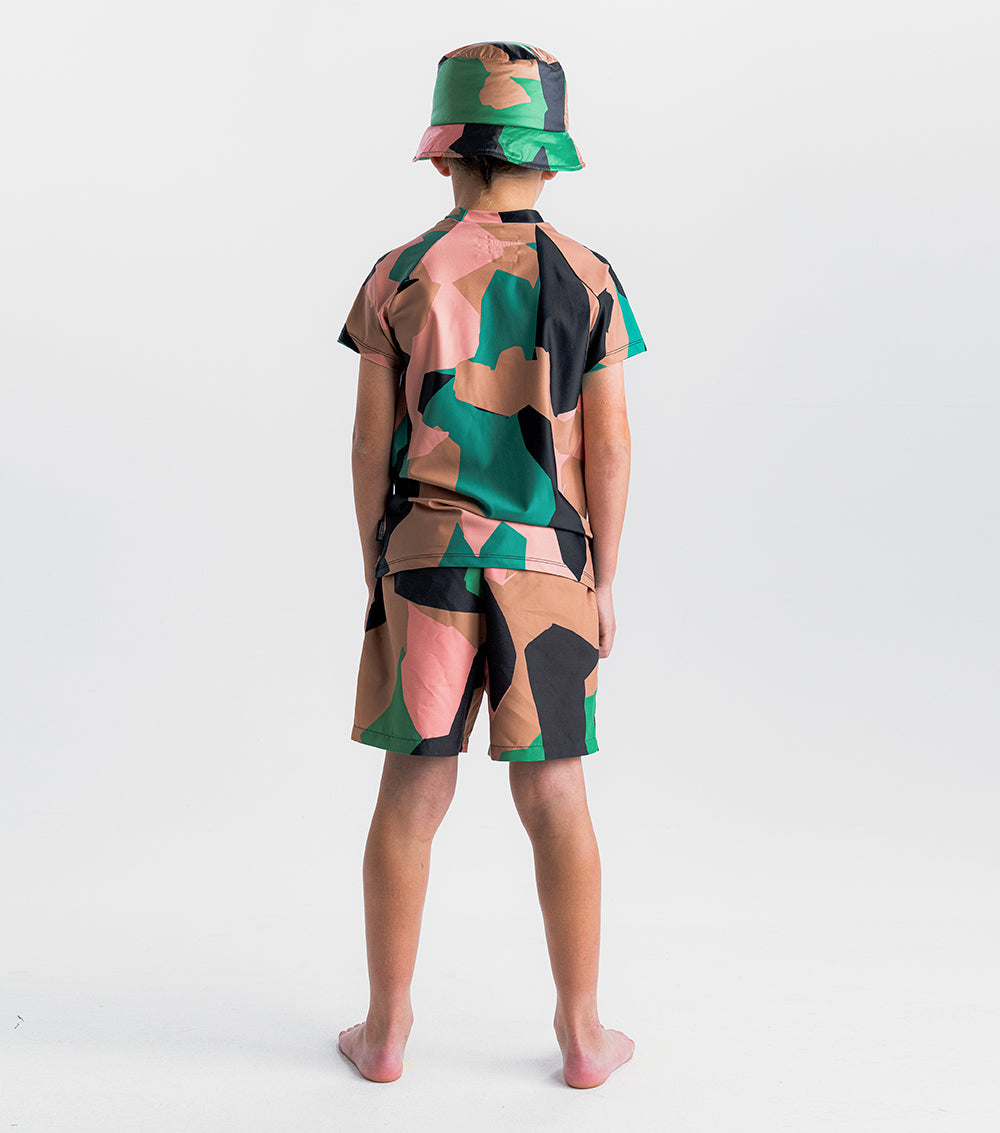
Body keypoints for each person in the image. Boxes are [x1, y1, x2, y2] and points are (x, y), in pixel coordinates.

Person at [335, 41, 647, 1089]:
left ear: (441, 155)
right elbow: (608, 446)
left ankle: (385, 1031)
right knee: (556, 794)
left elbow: (369, 442)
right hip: (551, 565)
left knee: (411, 792)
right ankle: (583, 1034)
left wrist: (377, 566)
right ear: (548, 158)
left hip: (426, 559)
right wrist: (603, 578)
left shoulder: (398, 273)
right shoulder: (589, 277)